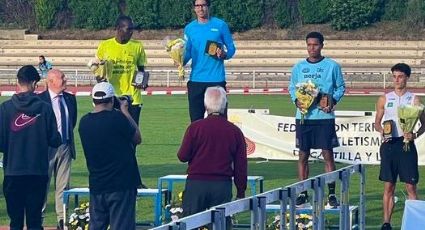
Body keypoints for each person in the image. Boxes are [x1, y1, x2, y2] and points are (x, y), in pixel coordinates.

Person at [288, 31, 345, 208]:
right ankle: (303, 192)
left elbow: (341, 87)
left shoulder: (332, 66)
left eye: (316, 45)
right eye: (309, 45)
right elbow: (292, 87)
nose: (312, 48)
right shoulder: (298, 67)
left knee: (327, 154)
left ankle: (332, 194)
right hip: (304, 117)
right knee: (303, 155)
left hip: (324, 117)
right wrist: (296, 101)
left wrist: (332, 101)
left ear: (322, 45)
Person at [0, 65, 61, 230]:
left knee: (16, 222)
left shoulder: (5, 109)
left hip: (13, 172)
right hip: (37, 172)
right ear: (35, 83)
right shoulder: (45, 109)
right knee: (34, 221)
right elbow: (55, 140)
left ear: (18, 82)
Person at [177, 86, 247, 225]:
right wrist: (240, 191)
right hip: (222, 185)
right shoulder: (234, 131)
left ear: (205, 105)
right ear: (225, 105)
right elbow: (241, 165)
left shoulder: (195, 128)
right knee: (220, 224)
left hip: (196, 185)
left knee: (191, 224)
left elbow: (182, 156)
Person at [78, 82, 142, 230]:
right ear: (112, 99)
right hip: (121, 184)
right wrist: (125, 111)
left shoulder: (84, 122)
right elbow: (137, 138)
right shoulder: (117, 118)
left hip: (97, 183)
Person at [374, 63, 425, 230]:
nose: (396, 80)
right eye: (394, 76)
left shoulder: (415, 99)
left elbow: (424, 124)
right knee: (389, 185)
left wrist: (414, 135)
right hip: (389, 145)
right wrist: (382, 131)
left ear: (407, 78)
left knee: (411, 186)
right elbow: (377, 122)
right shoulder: (384, 98)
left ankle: (416, 223)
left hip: (407, 146)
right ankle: (386, 223)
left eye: (400, 76)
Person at [183, 0, 236, 122]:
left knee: (220, 121)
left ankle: (220, 142)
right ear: (194, 8)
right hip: (196, 80)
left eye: (203, 5)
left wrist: (224, 54)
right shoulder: (189, 28)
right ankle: (199, 142)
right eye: (197, 5)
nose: (200, 8)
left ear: (208, 6)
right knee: (196, 122)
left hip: (216, 80)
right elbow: (188, 52)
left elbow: (232, 48)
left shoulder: (220, 25)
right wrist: (180, 60)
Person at [39, 69, 77, 230]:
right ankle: (38, 219)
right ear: (51, 81)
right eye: (62, 77)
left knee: (64, 186)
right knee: (42, 185)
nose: (65, 79)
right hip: (45, 149)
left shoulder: (70, 99)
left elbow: (72, 121)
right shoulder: (39, 100)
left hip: (65, 146)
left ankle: (62, 220)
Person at [96, 15, 147, 125]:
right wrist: (99, 78)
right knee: (113, 133)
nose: (131, 32)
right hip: (112, 97)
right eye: (128, 29)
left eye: (132, 29)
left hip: (133, 97)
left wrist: (143, 82)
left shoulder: (137, 46)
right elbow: (99, 69)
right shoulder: (105, 46)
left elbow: (141, 69)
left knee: (132, 133)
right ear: (119, 28)